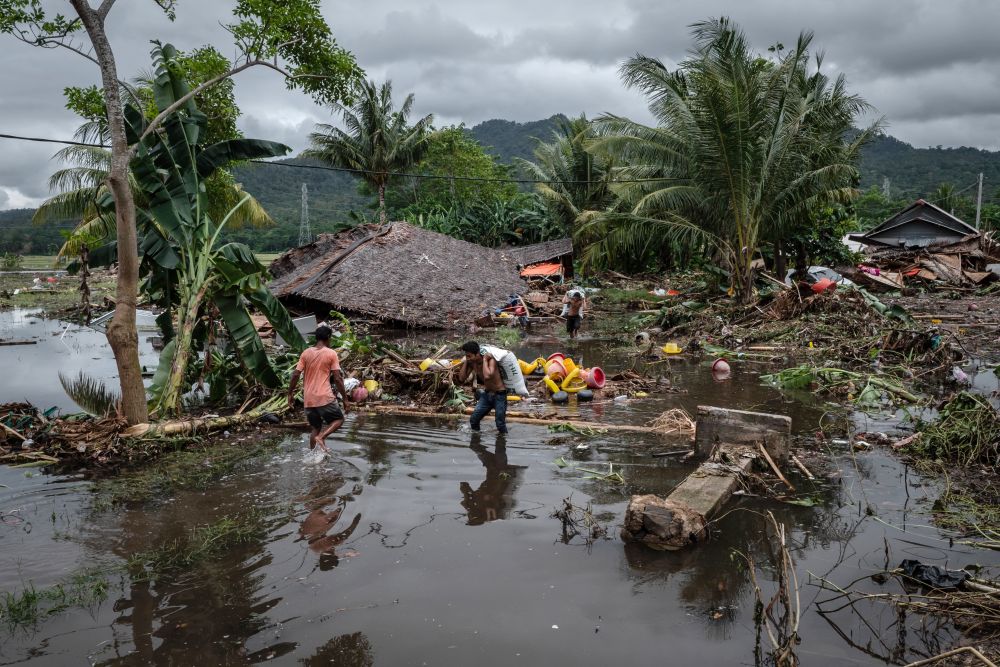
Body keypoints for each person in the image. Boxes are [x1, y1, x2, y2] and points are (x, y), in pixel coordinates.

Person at [287, 325, 350, 452]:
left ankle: (314, 456)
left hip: (308, 399)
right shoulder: (331, 353)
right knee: (339, 419)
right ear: (328, 338)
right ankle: (322, 438)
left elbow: (295, 374)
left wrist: (290, 394)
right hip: (324, 397)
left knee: (315, 427)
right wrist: (345, 398)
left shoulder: (306, 353)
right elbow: (337, 378)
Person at [457, 340, 508, 434]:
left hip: (499, 395)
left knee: (500, 424)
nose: (468, 358)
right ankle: (476, 440)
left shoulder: (490, 360)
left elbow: (487, 376)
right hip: (487, 395)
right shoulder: (472, 362)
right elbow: (461, 378)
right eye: (466, 356)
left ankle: (503, 442)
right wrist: (466, 362)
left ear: (477, 354)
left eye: (469, 356)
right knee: (474, 420)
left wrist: (484, 359)